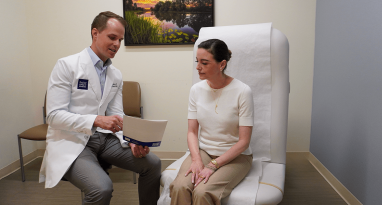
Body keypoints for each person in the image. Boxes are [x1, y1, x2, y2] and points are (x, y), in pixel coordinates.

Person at [39, 11, 161, 205]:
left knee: (153, 164)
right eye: (112, 37)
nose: (117, 45)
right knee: (101, 188)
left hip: (103, 138)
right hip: (72, 140)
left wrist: (132, 140)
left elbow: (116, 114)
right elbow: (53, 116)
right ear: (95, 33)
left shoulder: (115, 75)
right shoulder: (67, 66)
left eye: (120, 39)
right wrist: (95, 119)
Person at [169, 39, 254, 205]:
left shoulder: (243, 91)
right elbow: (192, 131)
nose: (198, 67)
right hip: (205, 151)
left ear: (222, 64)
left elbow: (244, 142)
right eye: (197, 61)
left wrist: (213, 165)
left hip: (236, 156)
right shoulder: (196, 90)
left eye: (204, 63)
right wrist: (196, 160)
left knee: (202, 192)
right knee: (180, 186)